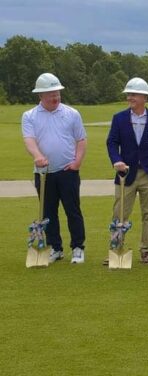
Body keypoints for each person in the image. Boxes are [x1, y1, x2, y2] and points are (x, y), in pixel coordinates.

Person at [22, 73, 87, 264]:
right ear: (40, 95)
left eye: (57, 92)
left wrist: (77, 162)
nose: (55, 97)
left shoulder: (72, 113)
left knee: (72, 210)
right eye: (50, 93)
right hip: (43, 173)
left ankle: (77, 247)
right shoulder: (30, 116)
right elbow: (29, 139)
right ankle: (55, 248)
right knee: (49, 212)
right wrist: (37, 156)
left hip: (68, 171)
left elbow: (81, 140)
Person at [105, 77, 148, 265]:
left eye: (133, 94)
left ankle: (146, 251)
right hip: (126, 174)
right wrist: (117, 160)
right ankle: (116, 248)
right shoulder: (119, 118)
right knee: (120, 213)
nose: (129, 98)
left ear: (144, 97)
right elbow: (112, 142)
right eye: (128, 95)